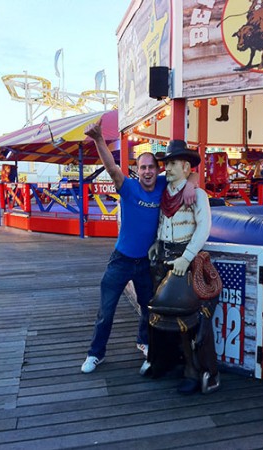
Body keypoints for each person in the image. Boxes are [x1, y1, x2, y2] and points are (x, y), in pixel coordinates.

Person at [81, 120, 197, 373]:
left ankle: (143, 341)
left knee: (148, 307)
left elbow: (190, 171)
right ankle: (95, 354)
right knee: (106, 311)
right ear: (137, 170)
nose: (147, 172)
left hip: (145, 262)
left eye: (151, 168)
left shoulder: (163, 186)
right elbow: (111, 168)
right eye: (142, 167)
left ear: (158, 170)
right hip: (121, 260)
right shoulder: (129, 187)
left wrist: (191, 183)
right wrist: (99, 139)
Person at [141, 139, 220, 395]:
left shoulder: (196, 194)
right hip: (164, 259)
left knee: (188, 318)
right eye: (167, 163)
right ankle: (164, 360)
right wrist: (156, 242)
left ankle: (195, 371)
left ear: (187, 168)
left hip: (184, 262)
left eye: (173, 163)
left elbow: (203, 228)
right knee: (162, 314)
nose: (168, 168)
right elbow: (164, 222)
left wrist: (186, 257)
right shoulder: (167, 193)